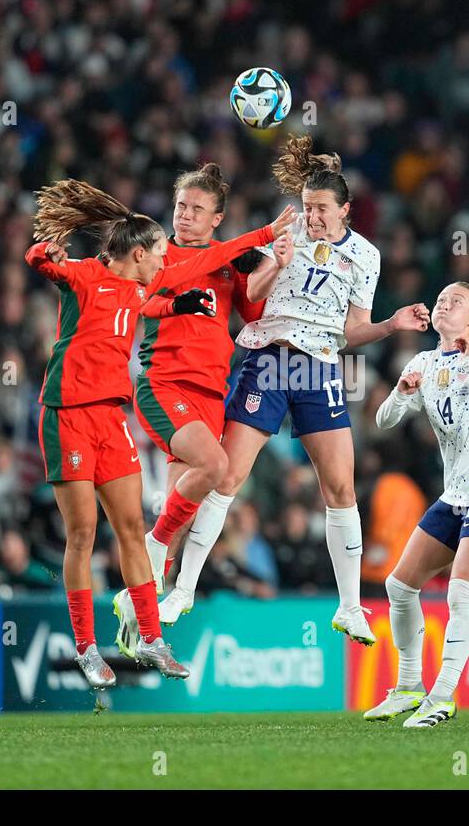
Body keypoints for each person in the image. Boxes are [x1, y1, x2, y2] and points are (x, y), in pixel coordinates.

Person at [156, 135, 430, 644]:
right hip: (267, 359)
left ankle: (350, 607)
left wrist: (391, 325)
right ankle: (184, 588)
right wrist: (277, 260)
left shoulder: (366, 257)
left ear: (345, 209)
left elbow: (352, 330)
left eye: (322, 209)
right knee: (228, 476)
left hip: (320, 368)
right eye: (307, 207)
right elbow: (250, 298)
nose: (313, 217)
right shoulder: (285, 233)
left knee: (340, 487)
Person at [26, 179, 293, 682]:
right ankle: (85, 647)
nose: (166, 260)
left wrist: (180, 305)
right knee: (82, 534)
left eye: (195, 208)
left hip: (112, 416)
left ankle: (150, 639)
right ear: (142, 253)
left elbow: (164, 294)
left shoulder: (141, 286)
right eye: (159, 254)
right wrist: (45, 252)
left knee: (135, 530)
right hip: (68, 414)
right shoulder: (86, 276)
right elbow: (39, 262)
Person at [365, 282, 469, 727]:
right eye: (440, 299)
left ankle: (442, 695)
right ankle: (407, 687)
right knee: (399, 587)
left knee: (461, 591)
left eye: (456, 301)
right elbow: (382, 423)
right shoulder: (424, 362)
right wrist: (401, 392)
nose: (443, 304)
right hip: (455, 496)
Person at [130, 163, 290, 597]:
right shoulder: (155, 254)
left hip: (210, 393)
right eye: (181, 205)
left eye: (196, 209)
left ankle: (142, 611)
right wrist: (262, 237)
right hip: (164, 384)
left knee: (180, 511)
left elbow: (252, 313)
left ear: (216, 219)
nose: (184, 214)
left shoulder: (230, 261)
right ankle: (152, 545)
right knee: (216, 467)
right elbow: (140, 302)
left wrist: (275, 267)